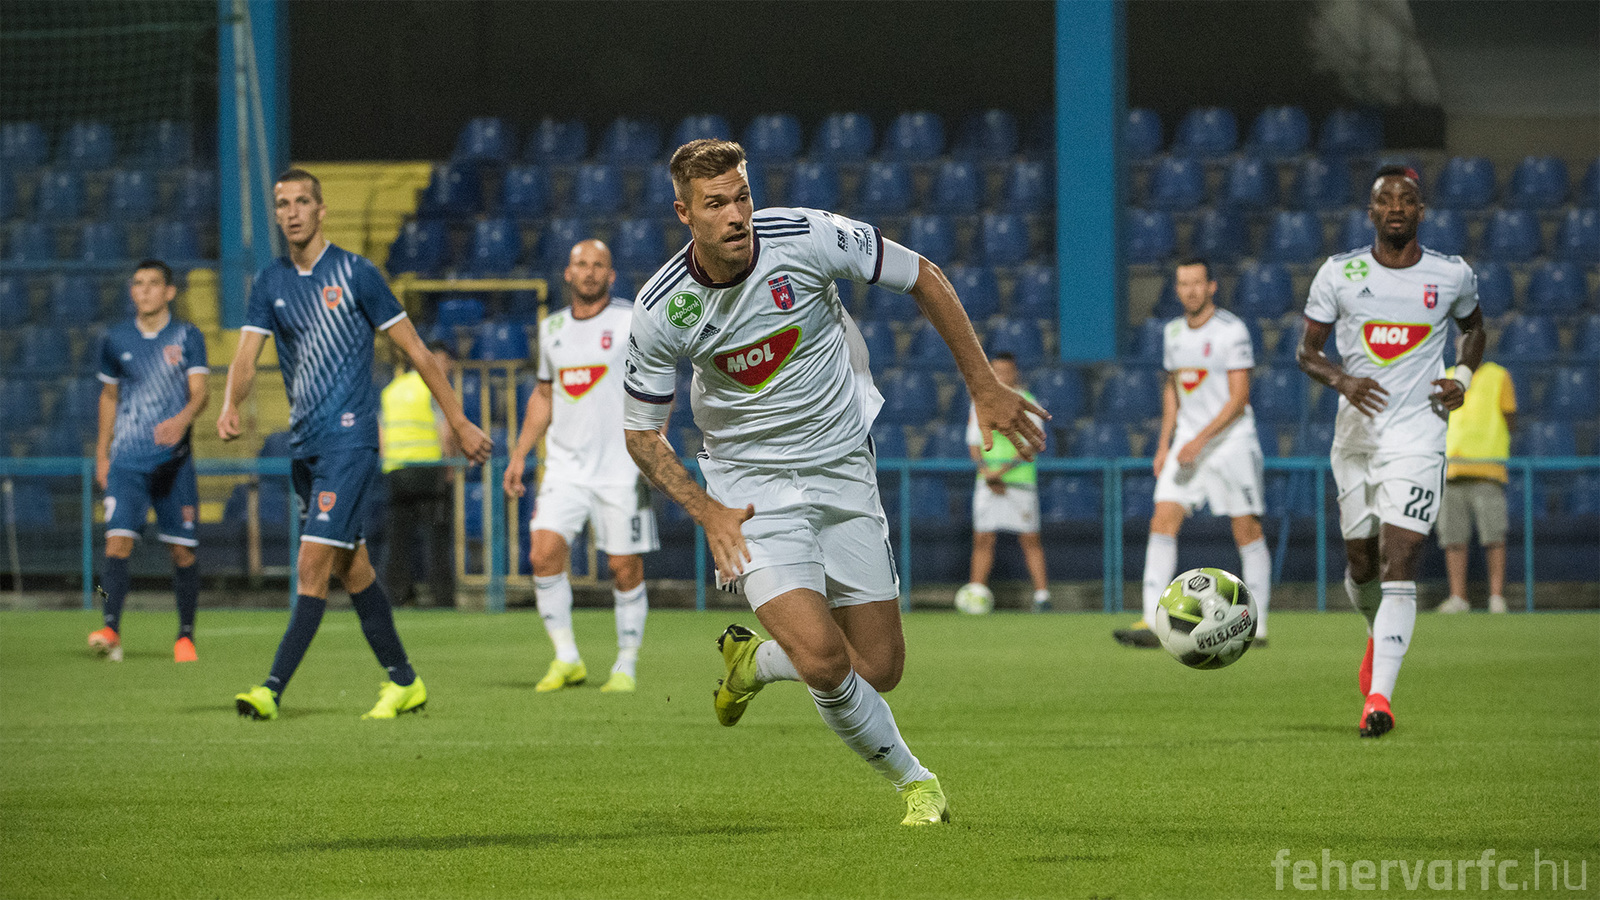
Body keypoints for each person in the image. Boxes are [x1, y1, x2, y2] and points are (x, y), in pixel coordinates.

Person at [622, 139, 1047, 825]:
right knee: (823, 661)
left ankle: (755, 663)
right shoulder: (662, 309)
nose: (736, 215)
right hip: (750, 492)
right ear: (684, 213)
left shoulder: (808, 237)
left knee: (878, 668)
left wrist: (983, 386)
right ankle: (917, 784)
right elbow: (643, 434)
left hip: (843, 467)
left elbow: (924, 275)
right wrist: (707, 512)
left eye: (742, 197)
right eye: (716, 204)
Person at [220, 168, 490, 721]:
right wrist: (230, 404)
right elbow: (246, 357)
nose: (292, 212)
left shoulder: (356, 273)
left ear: (321, 210)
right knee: (353, 568)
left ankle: (271, 689)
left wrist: (459, 421)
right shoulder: (270, 283)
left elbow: (418, 352)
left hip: (350, 443)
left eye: (302, 201)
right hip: (305, 448)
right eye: (282, 204)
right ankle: (405, 682)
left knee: (311, 567)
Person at [1296, 164, 1484, 738]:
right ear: (1371, 211)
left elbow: (1475, 330)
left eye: (1406, 199)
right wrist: (1344, 381)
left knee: (1399, 558)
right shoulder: (1340, 273)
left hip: (1419, 436)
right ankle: (1375, 633)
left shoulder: (1451, 274)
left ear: (1421, 211)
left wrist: (1462, 377)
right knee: (1361, 564)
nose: (1396, 207)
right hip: (1356, 439)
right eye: (1385, 199)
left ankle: (1379, 700)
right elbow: (1307, 352)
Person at [504, 239, 659, 694]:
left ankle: (626, 664)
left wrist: (652, 448)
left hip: (621, 467)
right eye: (581, 264)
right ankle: (566, 657)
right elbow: (544, 395)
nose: (589, 272)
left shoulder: (630, 320)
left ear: (611, 275)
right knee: (542, 554)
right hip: (565, 467)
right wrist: (519, 453)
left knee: (624, 567)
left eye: (598, 265)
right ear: (567, 274)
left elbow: (657, 381)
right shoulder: (551, 327)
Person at [1113, 257, 1272, 649]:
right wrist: (1163, 445)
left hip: (1230, 442)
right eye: (1183, 284)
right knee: (1162, 518)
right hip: (1186, 443)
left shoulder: (1231, 331)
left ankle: (1258, 625)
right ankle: (1153, 620)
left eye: (1197, 283)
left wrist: (1200, 441)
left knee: (1246, 528)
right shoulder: (1172, 332)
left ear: (1211, 286)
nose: (1190, 291)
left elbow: (1239, 398)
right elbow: (1173, 389)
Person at [87, 259, 209, 663]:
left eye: (153, 283)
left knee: (182, 553)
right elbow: (108, 397)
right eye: (138, 283)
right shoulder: (115, 339)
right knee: (116, 544)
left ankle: (185, 636)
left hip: (174, 465)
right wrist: (102, 453)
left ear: (169, 292)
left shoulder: (187, 335)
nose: (144, 290)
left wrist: (181, 420)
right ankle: (109, 626)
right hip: (127, 462)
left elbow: (201, 392)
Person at [962, 352, 1050, 612]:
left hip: (1019, 482)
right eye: (995, 371)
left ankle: (1042, 597)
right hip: (987, 481)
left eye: (1005, 371)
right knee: (983, 538)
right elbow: (974, 443)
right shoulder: (980, 402)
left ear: (1015, 373)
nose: (1000, 376)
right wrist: (987, 473)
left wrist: (999, 472)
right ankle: (975, 592)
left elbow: (1033, 442)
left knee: (1030, 539)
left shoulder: (1027, 402)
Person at [379, 339, 459, 608]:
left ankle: (397, 595)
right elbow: (444, 430)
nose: (448, 367)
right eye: (445, 361)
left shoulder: (392, 390)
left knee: (398, 538)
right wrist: (449, 465)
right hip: (429, 470)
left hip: (397, 471)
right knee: (437, 537)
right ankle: (442, 597)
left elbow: (381, 432)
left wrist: (388, 462)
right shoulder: (433, 388)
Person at [1436, 360, 1516, 614]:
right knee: (1452, 539)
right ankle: (1458, 597)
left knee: (1494, 537)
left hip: (1487, 470)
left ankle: (1496, 598)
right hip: (1452, 469)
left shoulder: (1498, 375)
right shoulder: (1446, 376)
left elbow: (1510, 418)